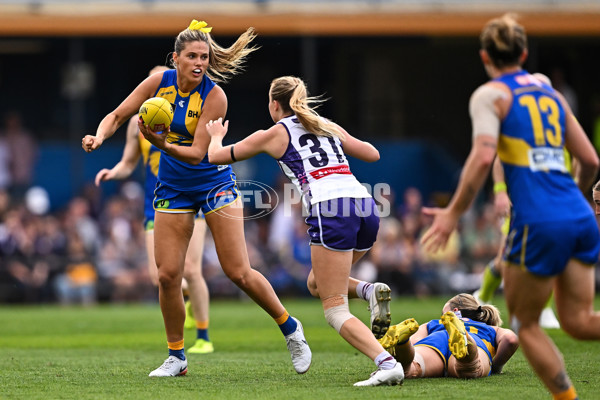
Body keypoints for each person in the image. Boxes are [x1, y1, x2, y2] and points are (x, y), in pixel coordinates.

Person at [82, 20, 311, 377]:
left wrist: (159, 144)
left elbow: (198, 154)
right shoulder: (158, 84)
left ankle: (290, 327)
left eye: (204, 56)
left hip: (212, 182)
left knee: (238, 272)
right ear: (175, 58)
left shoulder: (215, 95)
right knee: (168, 276)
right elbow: (117, 115)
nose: (199, 62)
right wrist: (98, 137)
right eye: (191, 56)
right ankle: (177, 356)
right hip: (172, 187)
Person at [421, 14, 600, 400]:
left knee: (527, 325)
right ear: (524, 53)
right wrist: (570, 200)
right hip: (580, 215)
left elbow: (484, 157)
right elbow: (590, 161)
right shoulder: (550, 92)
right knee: (580, 321)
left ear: (485, 57)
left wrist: (452, 213)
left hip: (537, 220)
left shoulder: (490, 96)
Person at [205, 75, 404, 386]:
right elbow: (372, 154)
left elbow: (215, 156)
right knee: (317, 283)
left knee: (334, 310)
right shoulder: (325, 124)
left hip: (331, 210)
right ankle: (368, 290)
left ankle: (386, 362)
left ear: (274, 104)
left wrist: (216, 135)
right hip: (366, 206)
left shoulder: (274, 133)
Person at [94, 65, 214, 354]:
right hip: (157, 202)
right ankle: (182, 297)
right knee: (158, 275)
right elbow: (128, 163)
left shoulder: (190, 117)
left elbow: (203, 152)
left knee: (191, 269)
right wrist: (113, 172)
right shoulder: (139, 123)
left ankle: (203, 337)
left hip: (191, 196)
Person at [474, 156, 561, 329]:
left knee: (551, 255)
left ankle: (544, 308)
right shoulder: (523, 134)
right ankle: (483, 295)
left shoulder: (562, 140)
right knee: (505, 261)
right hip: (520, 206)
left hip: (550, 206)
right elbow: (499, 159)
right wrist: (500, 191)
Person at [379, 293, 519, 379]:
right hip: (476, 339)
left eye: (443, 313)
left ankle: (402, 342)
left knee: (410, 368)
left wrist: (408, 346)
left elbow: (415, 342)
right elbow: (511, 339)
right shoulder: (489, 329)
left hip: (435, 339)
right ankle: (464, 343)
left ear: (455, 311)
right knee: (469, 369)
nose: (441, 316)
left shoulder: (432, 324)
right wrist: (496, 366)